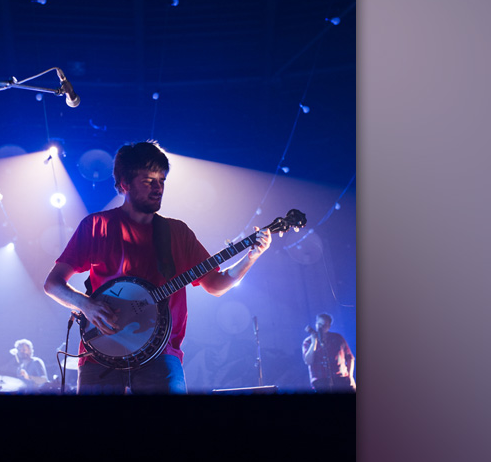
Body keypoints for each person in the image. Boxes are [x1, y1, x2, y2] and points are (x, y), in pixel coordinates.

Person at [43, 140, 272, 394]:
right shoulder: (96, 225)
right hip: (100, 354)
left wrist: (251, 257)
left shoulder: (177, 232)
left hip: (161, 354)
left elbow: (216, 286)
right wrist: (86, 305)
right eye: (148, 181)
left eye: (162, 180)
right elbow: (52, 284)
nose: (158, 188)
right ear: (124, 184)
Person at [302, 313, 355, 392]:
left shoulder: (337, 338)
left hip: (341, 378)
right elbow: (308, 361)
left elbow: (350, 357)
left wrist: (350, 376)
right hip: (321, 381)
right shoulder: (308, 342)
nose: (321, 327)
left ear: (329, 326)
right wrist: (314, 343)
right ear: (316, 324)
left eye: (324, 325)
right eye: (319, 324)